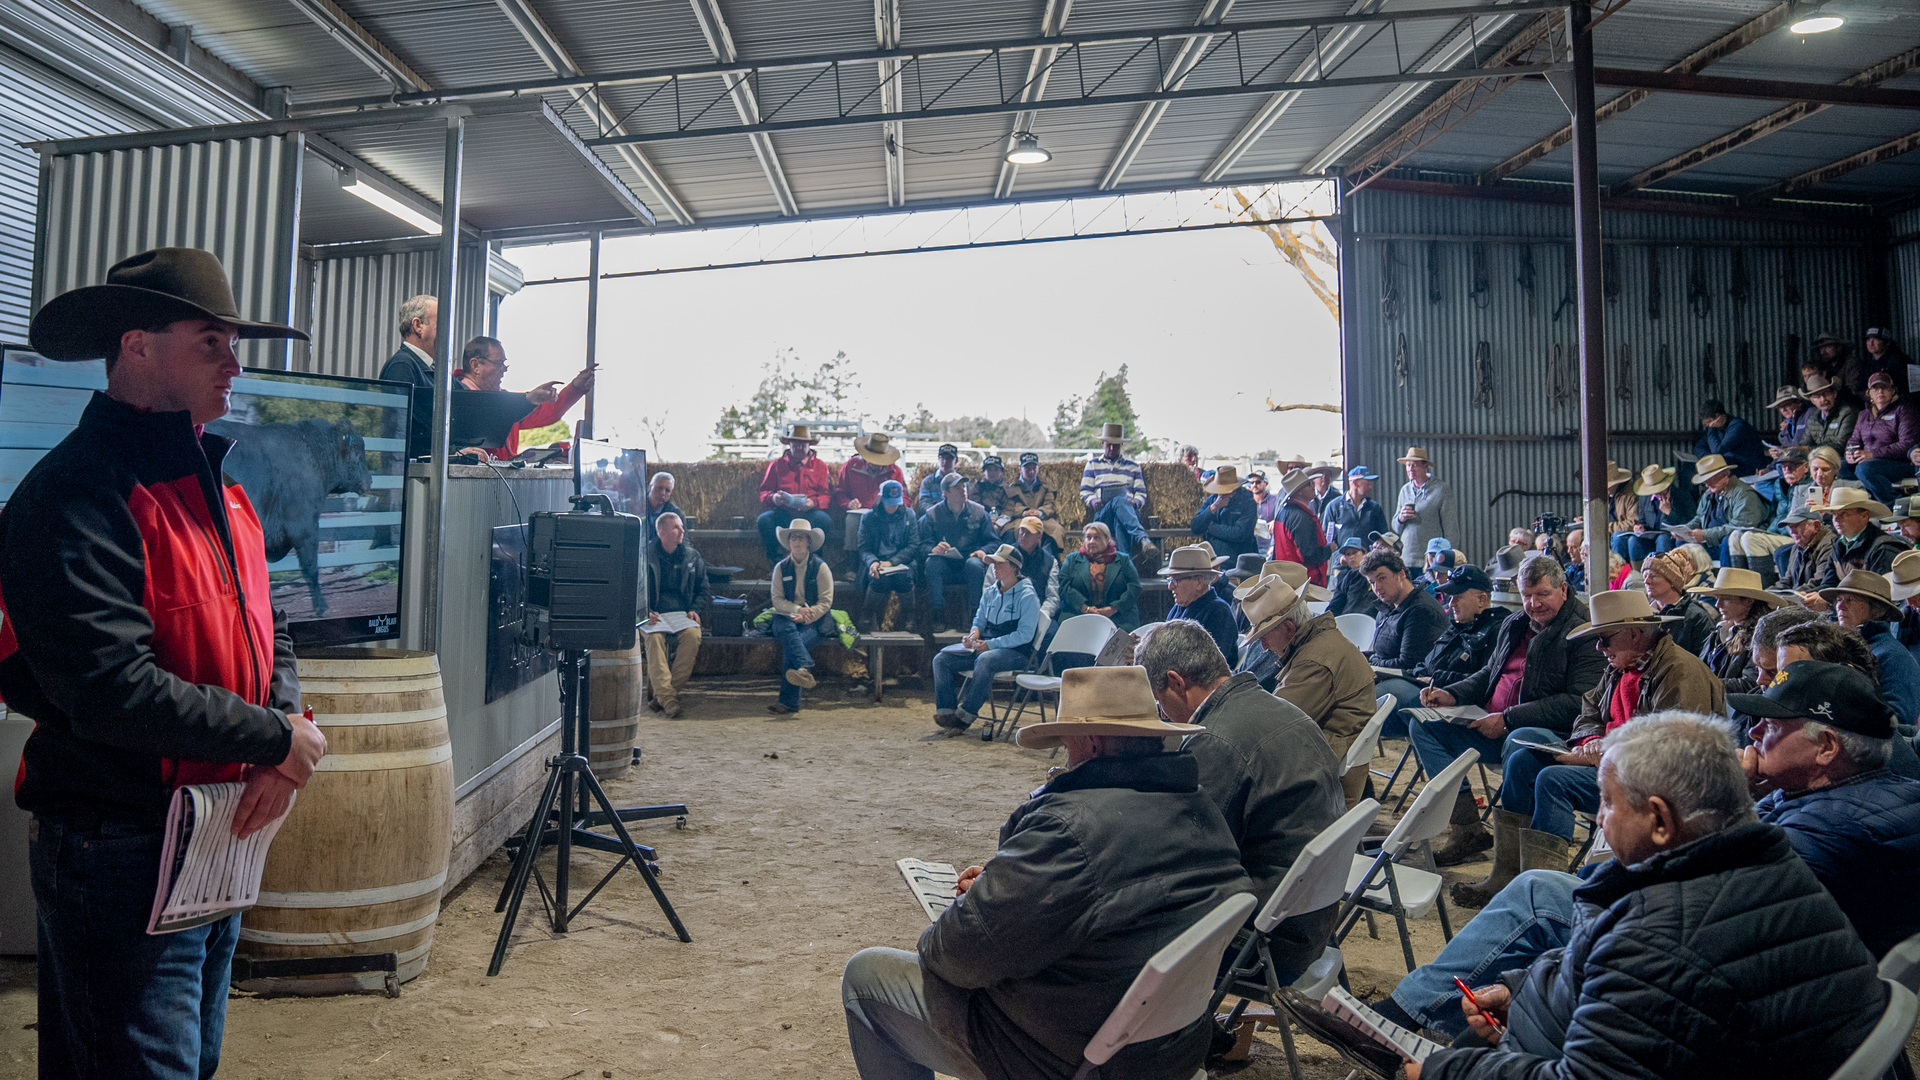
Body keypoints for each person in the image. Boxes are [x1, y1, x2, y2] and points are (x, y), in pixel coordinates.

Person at [10, 247, 329, 1078]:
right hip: (120, 844)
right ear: (137, 345)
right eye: (211, 341)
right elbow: (109, 689)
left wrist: (284, 733)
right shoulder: (75, 494)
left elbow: (271, 626)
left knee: (190, 1061)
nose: (236, 361)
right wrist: (273, 740)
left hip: (210, 831)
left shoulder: (219, 486)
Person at [1361, 714, 1887, 1080]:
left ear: (1660, 820)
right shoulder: (1766, 865)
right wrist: (1524, 990)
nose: (1599, 820)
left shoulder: (1661, 940)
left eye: (1608, 805)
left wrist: (1443, 1071)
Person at [842, 667, 1249, 1080]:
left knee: (865, 975)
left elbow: (955, 956)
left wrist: (978, 903)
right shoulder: (1199, 805)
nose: (1064, 756)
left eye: (1066, 741)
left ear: (1091, 741)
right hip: (1170, 1047)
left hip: (1072, 1053)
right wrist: (1009, 883)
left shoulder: (1068, 829)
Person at [1453, 590, 1725, 908]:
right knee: (1523, 762)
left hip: (1656, 788)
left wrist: (1600, 752)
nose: (1599, 648)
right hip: (1616, 765)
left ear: (1636, 632)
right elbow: (1589, 706)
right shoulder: (1623, 663)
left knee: (1553, 780)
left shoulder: (1679, 672)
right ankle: (1508, 875)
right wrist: (1590, 741)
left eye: (1605, 639)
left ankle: (1543, 897)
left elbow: (1669, 754)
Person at [1141, 621, 1345, 980]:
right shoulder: (1284, 710)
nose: (1163, 716)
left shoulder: (1216, 740)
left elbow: (1185, 856)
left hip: (1266, 945)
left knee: (1113, 929)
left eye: (1160, 704)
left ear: (1176, 683)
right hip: (1312, 919)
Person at [1412, 556, 1605, 865]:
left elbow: (1577, 703)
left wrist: (1508, 719)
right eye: (1527, 595)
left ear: (1564, 590)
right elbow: (1491, 673)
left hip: (1551, 734)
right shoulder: (1515, 624)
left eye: (1542, 594)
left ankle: (1514, 861)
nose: (1534, 603)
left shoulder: (1583, 633)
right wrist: (1452, 694)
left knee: (1520, 743)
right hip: (1492, 722)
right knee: (1423, 725)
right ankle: (1467, 829)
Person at [1238, 575, 1377, 805]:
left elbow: (1275, 726)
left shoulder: (1314, 660)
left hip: (1323, 781)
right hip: (1325, 760)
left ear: (1289, 628)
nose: (1263, 646)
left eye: (1265, 636)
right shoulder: (1319, 644)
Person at [1374, 566, 1506, 743]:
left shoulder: (1496, 631)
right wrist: (1423, 674)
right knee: (1365, 706)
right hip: (1425, 689)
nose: (1451, 604)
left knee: (1374, 700)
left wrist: (1437, 679)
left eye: (1458, 597)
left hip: (1455, 700)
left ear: (1482, 599)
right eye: (1451, 598)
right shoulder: (1457, 626)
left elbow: (1485, 679)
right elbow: (1427, 661)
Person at [932, 545, 1041, 733]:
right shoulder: (991, 591)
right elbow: (979, 620)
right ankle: (948, 713)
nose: (995, 567)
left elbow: (1025, 635)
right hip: (987, 647)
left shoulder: (1028, 595)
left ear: (1014, 567)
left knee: (985, 660)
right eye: (994, 563)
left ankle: (965, 716)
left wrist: (990, 644)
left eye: (1000, 563)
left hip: (1017, 652)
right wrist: (972, 635)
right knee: (941, 659)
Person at [452, 335, 595, 460]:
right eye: (499, 363)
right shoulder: (450, 400)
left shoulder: (505, 401)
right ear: (476, 365)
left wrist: (576, 388)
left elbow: (545, 414)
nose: (504, 371)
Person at [1822, 569, 1920, 726]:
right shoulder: (1837, 649)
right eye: (1839, 599)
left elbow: (1899, 723)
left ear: (1879, 610)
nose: (1840, 606)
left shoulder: (1893, 657)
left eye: (1851, 599)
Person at [642, 512, 707, 718]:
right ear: (662, 531)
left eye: (681, 527)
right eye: (676, 527)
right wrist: (645, 612)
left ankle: (662, 695)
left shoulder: (692, 556)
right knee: (653, 638)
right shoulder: (645, 556)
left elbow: (704, 589)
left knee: (693, 636)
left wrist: (695, 608)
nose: (682, 531)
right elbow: (633, 590)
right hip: (654, 614)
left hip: (682, 613)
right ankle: (669, 700)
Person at [767, 522, 835, 716]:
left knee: (792, 646)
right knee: (789, 634)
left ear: (809, 542)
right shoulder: (780, 568)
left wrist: (807, 615)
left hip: (815, 618)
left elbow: (826, 600)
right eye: (793, 537)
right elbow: (777, 599)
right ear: (788, 542)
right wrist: (796, 610)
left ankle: (788, 702)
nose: (797, 541)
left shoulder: (821, 568)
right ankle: (804, 666)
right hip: (786, 616)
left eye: (801, 537)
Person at [920, 473, 994, 633]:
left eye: (964, 487)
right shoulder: (932, 515)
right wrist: (933, 549)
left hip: (969, 563)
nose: (963, 491)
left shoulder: (979, 512)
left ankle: (975, 615)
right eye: (957, 488)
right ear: (945, 493)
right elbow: (921, 545)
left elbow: (994, 542)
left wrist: (983, 551)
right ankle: (938, 612)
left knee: (975, 565)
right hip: (945, 565)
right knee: (931, 563)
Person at [1689, 567, 1783, 687]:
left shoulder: (1762, 637)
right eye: (1718, 598)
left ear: (1749, 601)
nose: (1718, 604)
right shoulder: (1720, 631)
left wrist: (1703, 684)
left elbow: (1750, 683)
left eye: (1726, 598)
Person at [1671, 452, 1768, 566]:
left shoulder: (1744, 494)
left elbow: (1741, 526)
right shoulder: (1708, 494)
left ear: (1725, 475)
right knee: (1681, 541)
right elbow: (1699, 518)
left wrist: (1706, 535)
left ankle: (1726, 580)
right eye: (1704, 480)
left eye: (1710, 479)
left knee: (1729, 540)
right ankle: (1691, 581)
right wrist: (1685, 530)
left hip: (1733, 545)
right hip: (1712, 543)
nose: (1706, 484)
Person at [756, 424, 834, 565]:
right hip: (783, 513)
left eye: (803, 443)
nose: (799, 446)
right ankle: (775, 560)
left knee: (824, 520)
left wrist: (814, 503)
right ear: (789, 444)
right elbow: (764, 492)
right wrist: (774, 498)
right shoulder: (777, 465)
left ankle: (814, 560)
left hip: (810, 514)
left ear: (809, 444)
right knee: (764, 520)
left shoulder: (820, 466)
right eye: (795, 443)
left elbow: (826, 495)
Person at [1730, 446, 1807, 586]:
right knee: (1735, 535)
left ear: (1806, 467)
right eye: (1784, 467)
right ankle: (1742, 590)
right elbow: (1773, 515)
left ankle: (1762, 593)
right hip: (1776, 534)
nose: (1788, 470)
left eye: (1793, 466)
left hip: (1795, 538)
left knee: (1751, 539)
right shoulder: (1780, 485)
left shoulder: (1809, 487)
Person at [1363, 550, 1446, 675]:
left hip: (1414, 680)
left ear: (1401, 574)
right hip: (1385, 673)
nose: (1377, 588)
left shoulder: (1421, 610)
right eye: (1372, 582)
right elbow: (1380, 653)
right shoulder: (1386, 608)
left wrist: (1373, 662)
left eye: (1382, 578)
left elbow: (1407, 663)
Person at [1079, 423, 1154, 558]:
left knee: (1121, 514)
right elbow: (1085, 491)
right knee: (1119, 501)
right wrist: (1095, 501)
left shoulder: (1133, 466)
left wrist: (1134, 502)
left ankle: (1122, 565)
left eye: (1116, 445)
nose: (1112, 448)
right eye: (1109, 445)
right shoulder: (1093, 464)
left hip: (1127, 512)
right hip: (1103, 513)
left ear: (1121, 445)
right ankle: (1142, 539)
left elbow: (1141, 493)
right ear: (1103, 443)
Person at [1812, 486, 1907, 590]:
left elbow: (1882, 594)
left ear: (1865, 516)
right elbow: (1829, 584)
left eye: (1844, 513)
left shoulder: (1883, 548)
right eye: (1834, 514)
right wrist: (1812, 596)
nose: (1836, 519)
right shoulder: (1838, 545)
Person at [857, 480, 920, 633]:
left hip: (902, 561)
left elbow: (913, 545)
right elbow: (864, 547)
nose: (892, 507)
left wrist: (893, 562)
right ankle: (868, 612)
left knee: (904, 577)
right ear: (880, 500)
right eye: (889, 503)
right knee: (879, 578)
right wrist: (873, 562)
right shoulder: (868, 518)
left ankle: (909, 615)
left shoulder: (909, 515)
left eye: (896, 503)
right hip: (878, 560)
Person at [380, 293, 438, 457]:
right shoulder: (402, 367)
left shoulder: (433, 370)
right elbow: (399, 432)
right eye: (441, 324)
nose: (448, 333)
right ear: (418, 325)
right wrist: (452, 452)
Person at [1161, 543, 1238, 666]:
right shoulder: (1178, 608)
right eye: (1169, 580)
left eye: (1176, 580)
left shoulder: (1219, 612)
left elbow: (1211, 664)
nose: (1170, 586)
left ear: (1199, 582)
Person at [1056, 522, 1141, 631]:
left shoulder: (1123, 560)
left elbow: (1135, 587)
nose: (1092, 541)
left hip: (1117, 616)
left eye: (1097, 538)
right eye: (1088, 537)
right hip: (1078, 614)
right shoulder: (1072, 560)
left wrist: (1114, 608)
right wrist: (1085, 608)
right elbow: (1063, 587)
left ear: (1107, 539)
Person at [1852, 370, 1920, 503]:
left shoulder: (1904, 410)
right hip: (1869, 460)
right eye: (1875, 388)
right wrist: (1851, 452)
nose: (1880, 392)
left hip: (1897, 462)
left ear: (1893, 391)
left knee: (1864, 469)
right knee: (1840, 466)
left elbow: (1907, 445)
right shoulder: (1863, 415)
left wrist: (1873, 454)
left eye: (1884, 388)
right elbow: (1854, 440)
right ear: (1869, 393)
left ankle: (1893, 505)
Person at [1639, 549, 1718, 655]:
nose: (1646, 581)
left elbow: (1703, 662)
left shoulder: (1697, 616)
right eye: (1645, 576)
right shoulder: (1644, 613)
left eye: (1653, 576)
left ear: (1672, 580)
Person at [1271, 468, 1332, 585]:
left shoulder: (1283, 512)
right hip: (1304, 582)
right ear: (1299, 492)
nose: (1313, 486)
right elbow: (1308, 554)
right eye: (1309, 484)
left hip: (1287, 579)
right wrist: (1329, 550)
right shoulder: (1302, 517)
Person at [1610, 463, 1677, 566]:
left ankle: (1663, 572)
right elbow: (1642, 521)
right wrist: (1640, 528)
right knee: (1633, 541)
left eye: (1660, 489)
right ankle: (1639, 574)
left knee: (1663, 539)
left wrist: (1670, 512)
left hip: (1670, 536)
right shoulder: (1645, 498)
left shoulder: (1679, 495)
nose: (1657, 493)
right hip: (1649, 535)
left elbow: (1687, 521)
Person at [1190, 464, 1258, 564]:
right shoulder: (1213, 499)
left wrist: (1210, 528)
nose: (1221, 493)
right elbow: (1195, 527)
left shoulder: (1247, 502)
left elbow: (1239, 533)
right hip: (1214, 560)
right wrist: (1212, 509)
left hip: (1237, 561)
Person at [1391, 447, 1451, 556]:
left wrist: (1449, 554)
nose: (1410, 469)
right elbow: (1396, 528)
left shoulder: (1441, 490)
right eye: (1408, 465)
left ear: (1426, 466)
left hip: (1431, 556)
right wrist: (1401, 518)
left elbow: (1450, 527)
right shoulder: (1405, 490)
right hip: (1407, 555)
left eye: (1415, 465)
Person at [1001, 452, 1066, 552]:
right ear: (1020, 469)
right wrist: (1025, 512)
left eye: (1034, 468)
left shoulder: (1045, 487)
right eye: (1027, 468)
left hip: (1042, 519)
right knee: (1011, 532)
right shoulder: (1013, 488)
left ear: (1038, 469)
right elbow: (1010, 507)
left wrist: (1040, 512)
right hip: (1020, 519)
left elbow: (1049, 504)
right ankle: (1014, 558)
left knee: (1056, 530)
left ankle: (1048, 559)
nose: (1031, 472)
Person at [834, 432, 908, 513]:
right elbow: (840, 493)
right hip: (858, 513)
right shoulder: (850, 467)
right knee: (852, 521)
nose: (874, 462)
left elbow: (905, 498)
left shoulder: (894, 471)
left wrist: (893, 507)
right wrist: (849, 504)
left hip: (885, 515)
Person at [1693, 397, 1769, 475]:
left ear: (1717, 416)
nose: (1707, 426)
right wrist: (1709, 459)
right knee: (1691, 467)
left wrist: (1711, 429)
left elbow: (1717, 450)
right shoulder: (1716, 429)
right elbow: (1698, 448)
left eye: (1708, 422)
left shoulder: (1737, 426)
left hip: (1747, 467)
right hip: (1730, 464)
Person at [1324, 465, 1390, 549]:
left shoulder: (1375, 508)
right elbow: (1327, 539)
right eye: (1367, 483)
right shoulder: (1333, 507)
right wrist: (1340, 556)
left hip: (1368, 561)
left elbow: (1383, 538)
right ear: (1354, 483)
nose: (1371, 487)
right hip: (1341, 561)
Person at [1780, 506, 1836, 593]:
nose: (1792, 532)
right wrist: (1769, 594)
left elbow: (1819, 582)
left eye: (1796, 525)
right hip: (1799, 598)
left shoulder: (1829, 545)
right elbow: (1787, 580)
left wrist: (1791, 597)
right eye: (1790, 527)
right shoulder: (1798, 546)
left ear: (1816, 525)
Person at [1801, 372, 1859, 452]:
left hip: (1839, 459)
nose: (1823, 399)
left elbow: (1841, 446)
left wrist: (1809, 449)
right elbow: (1805, 443)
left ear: (1834, 394)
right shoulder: (1813, 418)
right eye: (1817, 396)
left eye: (1826, 393)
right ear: (1812, 401)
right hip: (1817, 458)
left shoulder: (1848, 413)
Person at [1010, 517, 1055, 610]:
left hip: (1037, 609)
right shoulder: (1005, 554)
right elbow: (990, 588)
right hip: (1008, 609)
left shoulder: (1050, 561)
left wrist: (1042, 614)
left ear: (1039, 536)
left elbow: (1052, 597)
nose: (1023, 535)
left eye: (1029, 533)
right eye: (1022, 530)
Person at [1326, 535, 1375, 617]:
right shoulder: (1343, 576)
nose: (1351, 557)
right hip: (1348, 621)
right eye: (1348, 554)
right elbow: (1336, 604)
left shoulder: (1375, 573)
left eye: (1355, 552)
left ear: (1365, 553)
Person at [916, 443, 965, 513]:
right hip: (935, 518)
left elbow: (965, 502)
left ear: (956, 461)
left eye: (949, 459)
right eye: (942, 458)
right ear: (938, 459)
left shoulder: (961, 482)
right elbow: (924, 503)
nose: (945, 462)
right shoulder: (928, 481)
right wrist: (938, 513)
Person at [1768, 383, 1812, 455]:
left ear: (1798, 402)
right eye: (1780, 407)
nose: (1784, 410)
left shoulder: (1809, 415)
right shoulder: (1787, 427)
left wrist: (1785, 451)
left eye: (1787, 405)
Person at [643, 470, 684, 545]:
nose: (662, 493)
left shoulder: (675, 513)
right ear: (650, 487)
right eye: (659, 488)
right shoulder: (636, 507)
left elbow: (683, 542)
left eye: (667, 490)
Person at [974, 455, 1012, 534]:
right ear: (984, 472)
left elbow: (1009, 508)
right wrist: (987, 519)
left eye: (996, 470)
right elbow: (974, 505)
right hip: (982, 520)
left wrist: (999, 523)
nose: (992, 473)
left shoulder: (1006, 489)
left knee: (1010, 532)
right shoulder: (978, 487)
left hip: (1002, 522)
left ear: (1001, 472)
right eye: (989, 470)